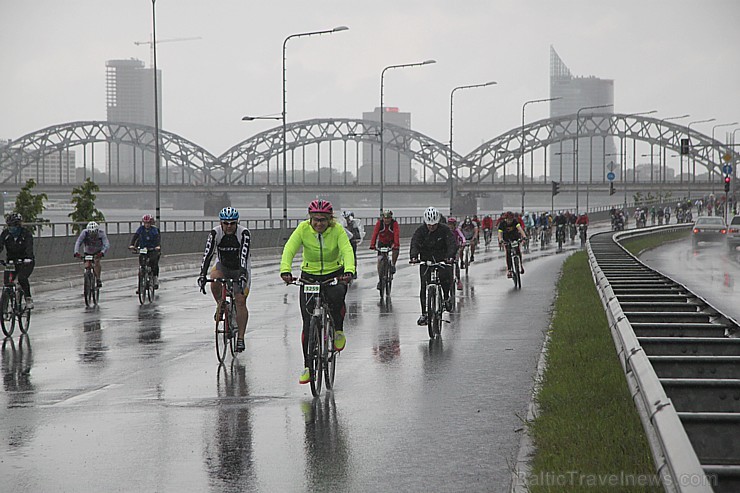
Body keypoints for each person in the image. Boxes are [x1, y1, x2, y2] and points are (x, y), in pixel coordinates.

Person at [280, 199, 354, 385]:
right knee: (307, 322)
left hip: (333, 274)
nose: (319, 223)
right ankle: (308, 366)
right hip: (309, 276)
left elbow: (346, 250)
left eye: (323, 220)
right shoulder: (303, 229)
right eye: (315, 219)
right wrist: (285, 270)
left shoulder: (337, 230)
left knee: (337, 298)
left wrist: (349, 270)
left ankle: (338, 330)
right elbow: (290, 248)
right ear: (310, 219)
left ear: (330, 219)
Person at [197, 207, 252, 353]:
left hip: (241, 267)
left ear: (237, 223)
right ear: (221, 222)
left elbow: (244, 256)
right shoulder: (215, 233)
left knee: (240, 300)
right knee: (214, 278)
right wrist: (202, 275)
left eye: (232, 223)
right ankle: (221, 305)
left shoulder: (244, 233)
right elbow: (208, 254)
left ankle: (240, 338)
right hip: (223, 265)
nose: (229, 226)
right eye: (226, 223)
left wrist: (242, 275)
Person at [409, 207, 457, 326]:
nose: (431, 227)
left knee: (446, 278)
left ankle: (446, 298)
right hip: (426, 260)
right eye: (429, 225)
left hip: (442, 259)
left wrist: (450, 256)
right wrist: (414, 256)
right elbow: (414, 243)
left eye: (434, 225)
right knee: (424, 286)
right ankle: (424, 313)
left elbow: (452, 243)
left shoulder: (445, 230)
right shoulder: (420, 231)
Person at [0, 213, 35, 309]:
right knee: (7, 281)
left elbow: (29, 248)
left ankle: (28, 298)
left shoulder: (26, 234)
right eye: (9, 226)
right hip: (11, 261)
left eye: (13, 226)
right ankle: (5, 306)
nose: (11, 228)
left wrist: (28, 258)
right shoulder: (5, 234)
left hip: (26, 262)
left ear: (18, 225)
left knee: (22, 278)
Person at [369, 209, 400, 289]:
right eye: (385, 218)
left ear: (391, 218)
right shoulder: (379, 223)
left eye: (388, 218)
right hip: (382, 243)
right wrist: (372, 245)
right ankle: (380, 279)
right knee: (380, 260)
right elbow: (375, 234)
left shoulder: (394, 224)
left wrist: (396, 244)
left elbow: (396, 234)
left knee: (396, 250)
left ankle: (393, 264)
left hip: (391, 242)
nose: (386, 220)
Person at [128, 214, 162, 289]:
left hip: (152, 248)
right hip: (143, 248)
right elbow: (135, 236)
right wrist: (132, 245)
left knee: (154, 262)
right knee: (142, 266)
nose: (147, 225)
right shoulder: (141, 229)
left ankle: (155, 278)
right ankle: (140, 286)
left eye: (148, 223)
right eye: (145, 223)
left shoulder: (154, 230)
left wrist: (157, 246)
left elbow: (157, 239)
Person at [73, 221, 110, 287]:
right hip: (88, 251)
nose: (92, 236)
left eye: (94, 234)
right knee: (87, 264)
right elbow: (78, 242)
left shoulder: (101, 233)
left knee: (96, 262)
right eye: (91, 233)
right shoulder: (84, 232)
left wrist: (102, 252)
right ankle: (87, 277)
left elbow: (106, 244)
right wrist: (76, 252)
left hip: (98, 251)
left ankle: (98, 279)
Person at [497, 211, 527, 278]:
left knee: (518, 251)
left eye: (511, 219)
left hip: (515, 238)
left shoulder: (515, 222)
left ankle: (521, 265)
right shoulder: (502, 224)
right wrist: (500, 240)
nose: (510, 221)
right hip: (507, 239)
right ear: (506, 218)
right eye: (508, 219)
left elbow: (520, 229)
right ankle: (509, 270)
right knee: (508, 252)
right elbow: (499, 233)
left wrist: (524, 236)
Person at [342, 210, 363, 279]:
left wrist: (356, 238)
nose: (346, 220)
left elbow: (357, 233)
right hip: (344, 241)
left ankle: (354, 271)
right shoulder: (342, 224)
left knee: (352, 255)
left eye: (347, 218)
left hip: (352, 241)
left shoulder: (353, 224)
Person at [447, 216, 466, 290]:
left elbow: (462, 237)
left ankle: (458, 281)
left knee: (456, 262)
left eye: (452, 224)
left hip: (456, 248)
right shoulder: (446, 231)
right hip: (448, 249)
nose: (450, 226)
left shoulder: (457, 231)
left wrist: (463, 242)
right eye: (449, 224)